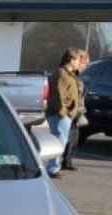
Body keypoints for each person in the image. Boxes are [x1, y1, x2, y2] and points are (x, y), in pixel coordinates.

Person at [45, 48, 80, 178]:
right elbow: (58, 94)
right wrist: (63, 112)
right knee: (59, 141)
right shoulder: (61, 74)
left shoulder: (70, 74)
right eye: (77, 60)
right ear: (71, 59)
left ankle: (53, 166)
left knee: (60, 140)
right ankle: (53, 168)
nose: (78, 63)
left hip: (65, 115)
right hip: (59, 115)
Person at [62, 49, 90, 171]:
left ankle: (68, 161)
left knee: (74, 138)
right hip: (70, 111)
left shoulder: (77, 77)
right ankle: (63, 162)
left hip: (77, 111)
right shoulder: (68, 75)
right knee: (67, 137)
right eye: (83, 63)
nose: (85, 66)